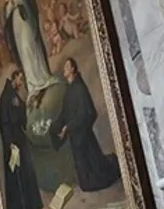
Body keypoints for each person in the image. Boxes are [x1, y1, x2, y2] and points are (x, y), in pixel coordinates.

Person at [50, 58, 122, 192]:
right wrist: (55, 126)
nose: (64, 69)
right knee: (84, 179)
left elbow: (87, 113)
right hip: (75, 134)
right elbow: (65, 113)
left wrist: (68, 127)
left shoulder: (79, 88)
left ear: (73, 69)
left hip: (83, 134)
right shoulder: (69, 90)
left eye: (67, 66)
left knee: (95, 173)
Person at [3, 0, 58, 107]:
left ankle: (42, 77)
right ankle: (33, 85)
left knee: (30, 46)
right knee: (23, 52)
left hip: (26, 20)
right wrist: (9, 5)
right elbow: (6, 12)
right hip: (16, 24)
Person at [0, 69, 44, 209]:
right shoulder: (7, 97)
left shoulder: (13, 95)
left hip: (19, 139)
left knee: (28, 172)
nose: (22, 82)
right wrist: (10, 144)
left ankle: (33, 208)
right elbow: (4, 123)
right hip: (12, 143)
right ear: (14, 78)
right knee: (16, 176)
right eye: (20, 79)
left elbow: (21, 119)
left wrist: (27, 105)